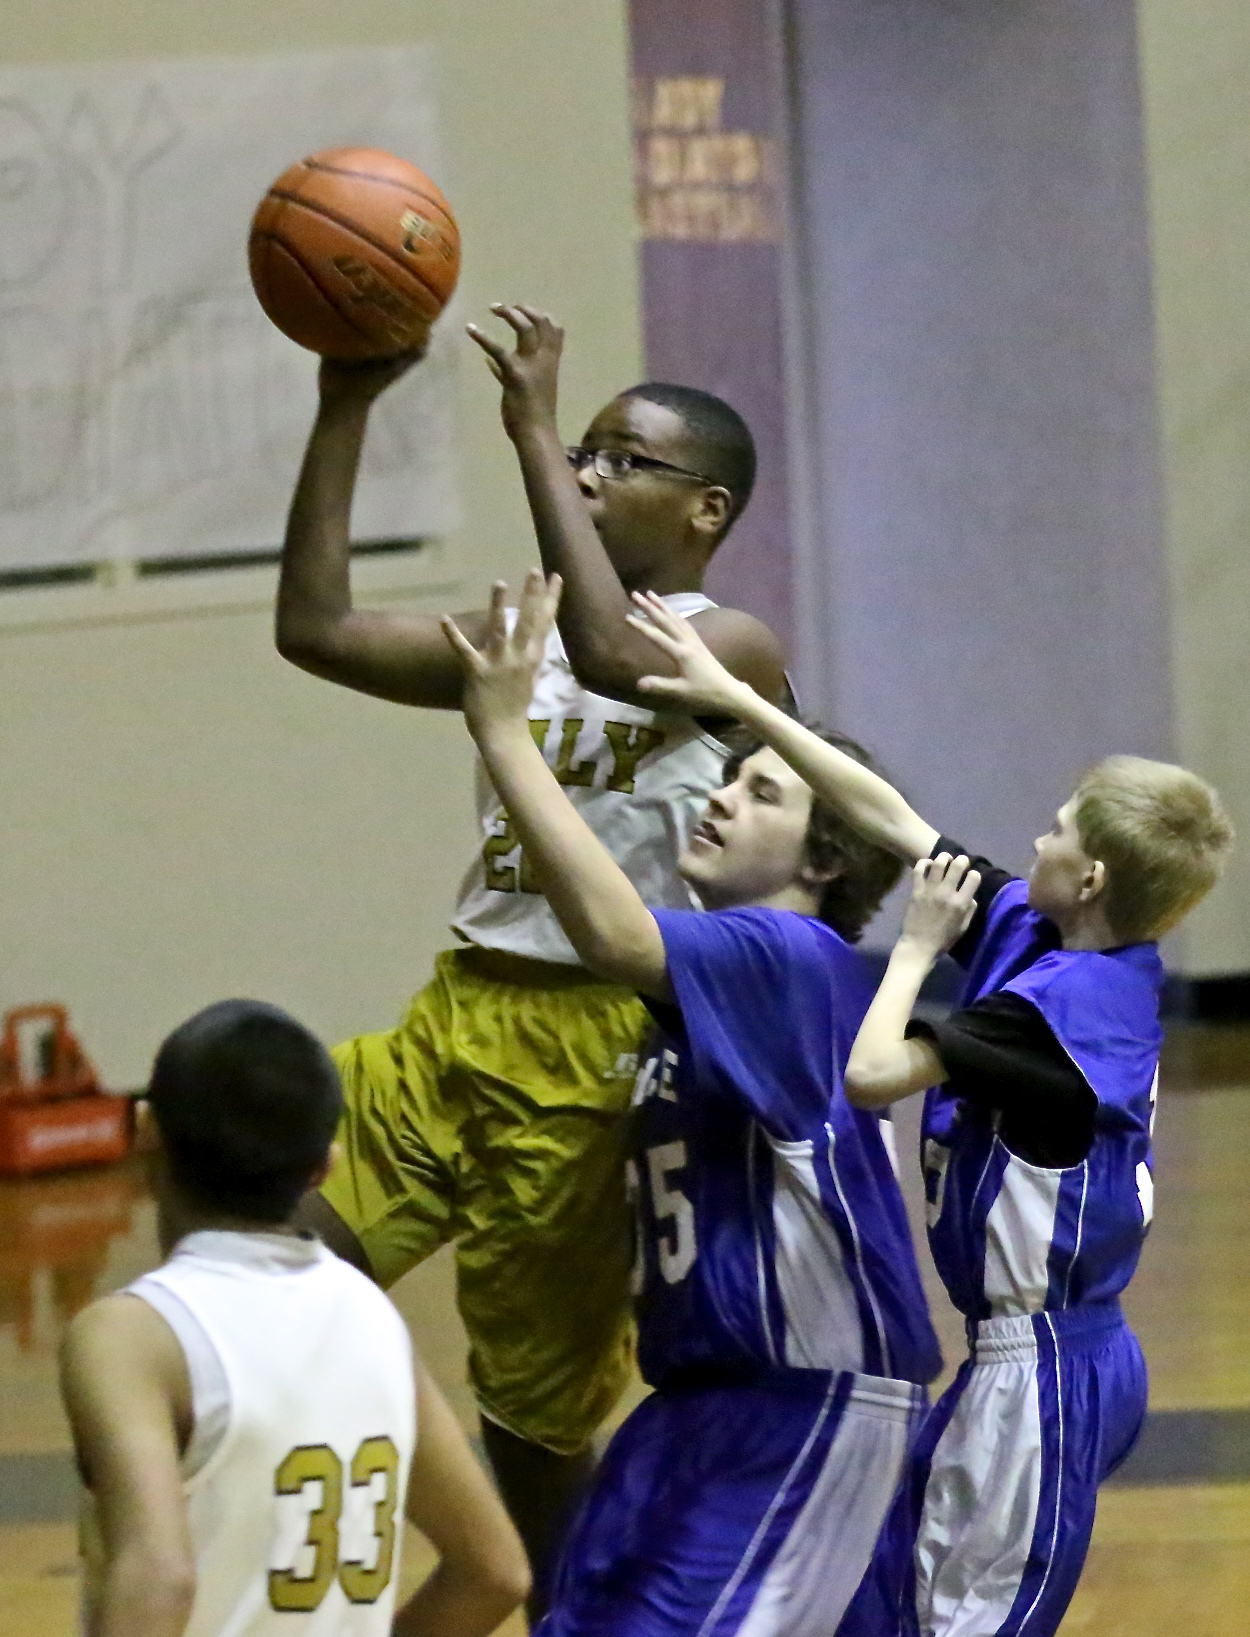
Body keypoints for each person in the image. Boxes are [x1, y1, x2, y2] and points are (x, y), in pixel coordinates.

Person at [275, 303, 787, 1606]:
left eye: (623, 457)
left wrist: (532, 429)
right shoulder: (525, 643)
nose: (588, 472)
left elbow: (616, 654)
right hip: (458, 1015)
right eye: (584, 454)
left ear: (707, 510)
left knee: (531, 1422)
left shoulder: (727, 648)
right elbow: (315, 626)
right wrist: (345, 404)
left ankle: (571, 1612)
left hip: (598, 1045)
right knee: (275, 1249)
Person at [621, 592, 1235, 1637]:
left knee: (960, 1622)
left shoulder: (1049, 1019)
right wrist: (744, 703)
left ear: (1087, 875)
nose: (1033, 834)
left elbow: (869, 1074)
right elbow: (890, 818)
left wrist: (911, 947)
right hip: (1029, 1353)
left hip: (1041, 1368)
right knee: (899, 1603)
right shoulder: (1057, 934)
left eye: (1055, 826)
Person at [439, 571, 941, 1636]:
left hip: (802, 1405)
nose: (719, 799)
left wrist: (506, 734)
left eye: (761, 794)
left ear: (823, 858)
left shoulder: (788, 954)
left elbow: (614, 931)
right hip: (699, 1405)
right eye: (728, 779)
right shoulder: (720, 972)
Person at [59, 1000, 528, 1637]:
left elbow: (160, 1575)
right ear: (324, 1169)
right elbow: (495, 1572)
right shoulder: (373, 1318)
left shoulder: (129, 1337)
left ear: (144, 1132)